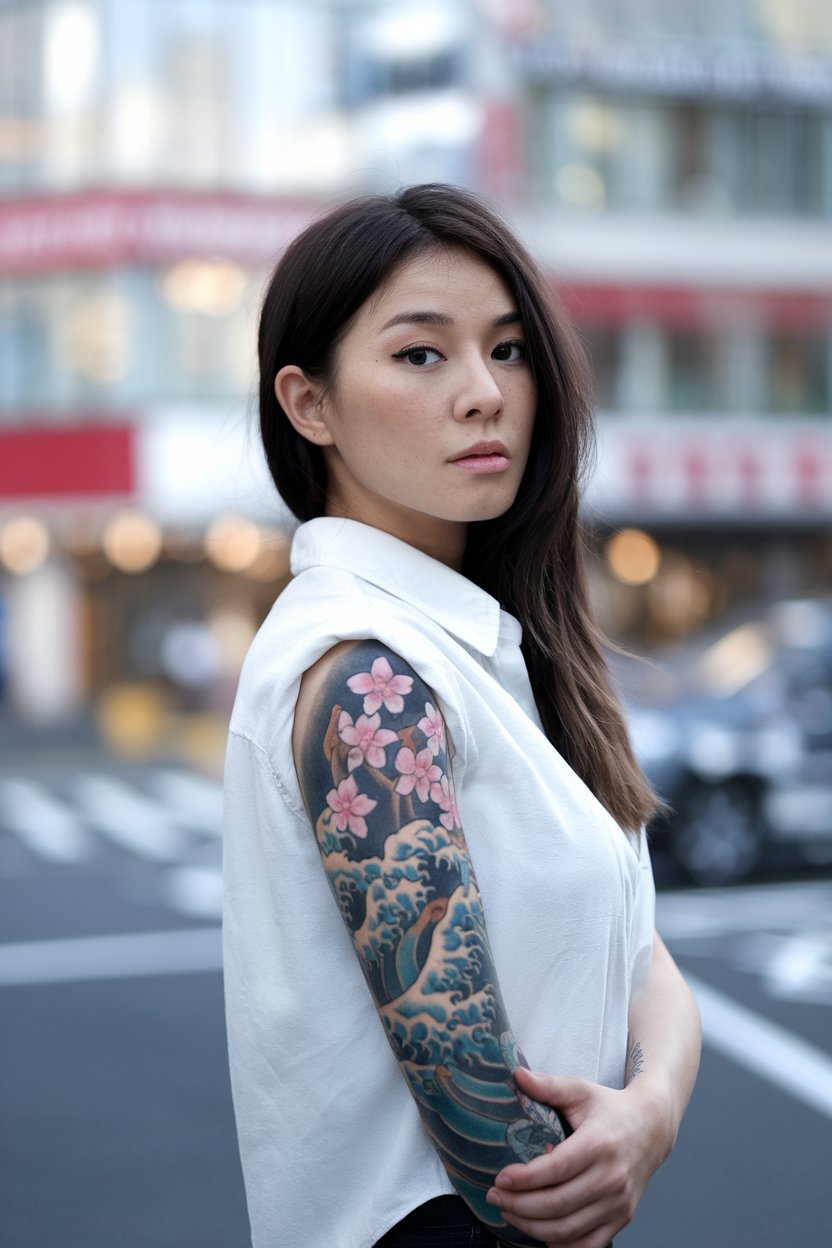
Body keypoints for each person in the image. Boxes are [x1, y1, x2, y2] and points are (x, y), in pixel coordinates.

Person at [222, 183, 701, 1248]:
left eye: (509, 349)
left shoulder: (485, 649)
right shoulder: (365, 677)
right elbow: (500, 1158)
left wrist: (649, 1112)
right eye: (421, 355)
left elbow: (641, 956)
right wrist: (614, 1140)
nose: (485, 393)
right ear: (310, 405)